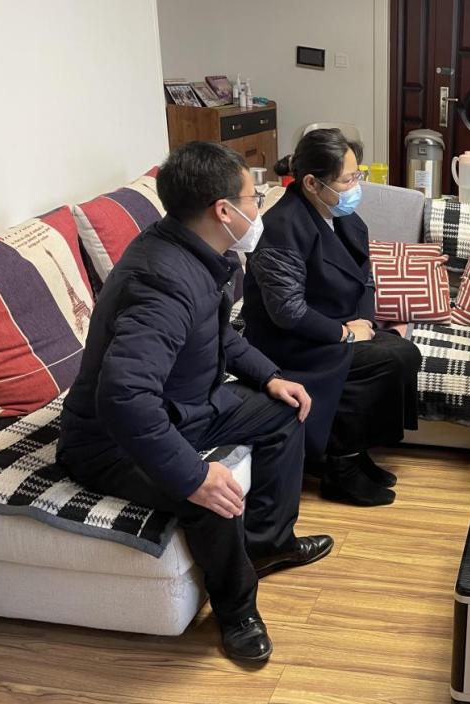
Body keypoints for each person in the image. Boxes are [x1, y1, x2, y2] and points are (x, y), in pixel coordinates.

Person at [58, 142, 333, 663]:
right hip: (112, 442)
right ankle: (237, 610)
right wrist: (194, 475)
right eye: (253, 199)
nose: (259, 208)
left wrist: (270, 377)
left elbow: (220, 335)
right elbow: (124, 395)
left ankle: (269, 545)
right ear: (223, 211)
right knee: (213, 495)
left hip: (187, 404)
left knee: (286, 411)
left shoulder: (200, 252)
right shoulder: (160, 280)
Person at [242, 129, 421, 507]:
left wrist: (366, 323)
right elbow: (287, 311)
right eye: (347, 180)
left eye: (358, 176)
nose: (357, 187)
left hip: (337, 327)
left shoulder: (344, 218)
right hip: (291, 342)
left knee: (403, 352)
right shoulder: (281, 228)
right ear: (311, 183)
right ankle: (339, 465)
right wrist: (344, 334)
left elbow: (365, 279)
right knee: (386, 360)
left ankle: (355, 451)